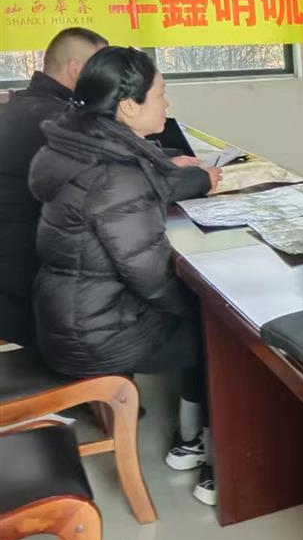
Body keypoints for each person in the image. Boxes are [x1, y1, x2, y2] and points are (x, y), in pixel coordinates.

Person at [29, 47, 221, 505]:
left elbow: (144, 190)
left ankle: (190, 439)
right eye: (161, 93)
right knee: (219, 333)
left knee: (203, 316)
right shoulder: (116, 173)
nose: (167, 103)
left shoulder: (80, 143)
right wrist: (199, 306)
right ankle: (204, 451)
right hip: (94, 332)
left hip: (65, 314)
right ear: (129, 107)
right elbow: (150, 277)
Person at [0, 28, 109, 347]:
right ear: (76, 69)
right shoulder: (55, 119)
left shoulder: (25, 106)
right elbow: (110, 179)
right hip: (31, 289)